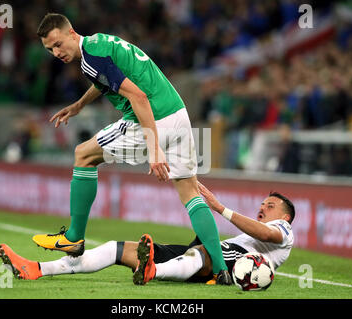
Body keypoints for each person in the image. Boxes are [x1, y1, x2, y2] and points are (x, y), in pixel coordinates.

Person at [30, 13, 231, 284]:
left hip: (152, 117)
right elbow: (106, 79)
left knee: (83, 154)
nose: (56, 53)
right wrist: (79, 104)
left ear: (71, 33)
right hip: (178, 112)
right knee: (190, 191)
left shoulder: (91, 58)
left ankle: (74, 238)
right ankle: (221, 272)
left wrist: (155, 149)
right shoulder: (98, 44)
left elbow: (138, 96)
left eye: (57, 44)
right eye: (49, 49)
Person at [0, 184, 295, 286]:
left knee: (207, 251)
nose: (262, 207)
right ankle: (36, 269)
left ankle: (153, 271)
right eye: (262, 203)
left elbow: (265, 236)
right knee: (116, 249)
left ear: (285, 216)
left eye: (269, 206)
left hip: (235, 262)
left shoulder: (284, 231)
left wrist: (221, 209)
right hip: (212, 254)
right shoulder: (264, 227)